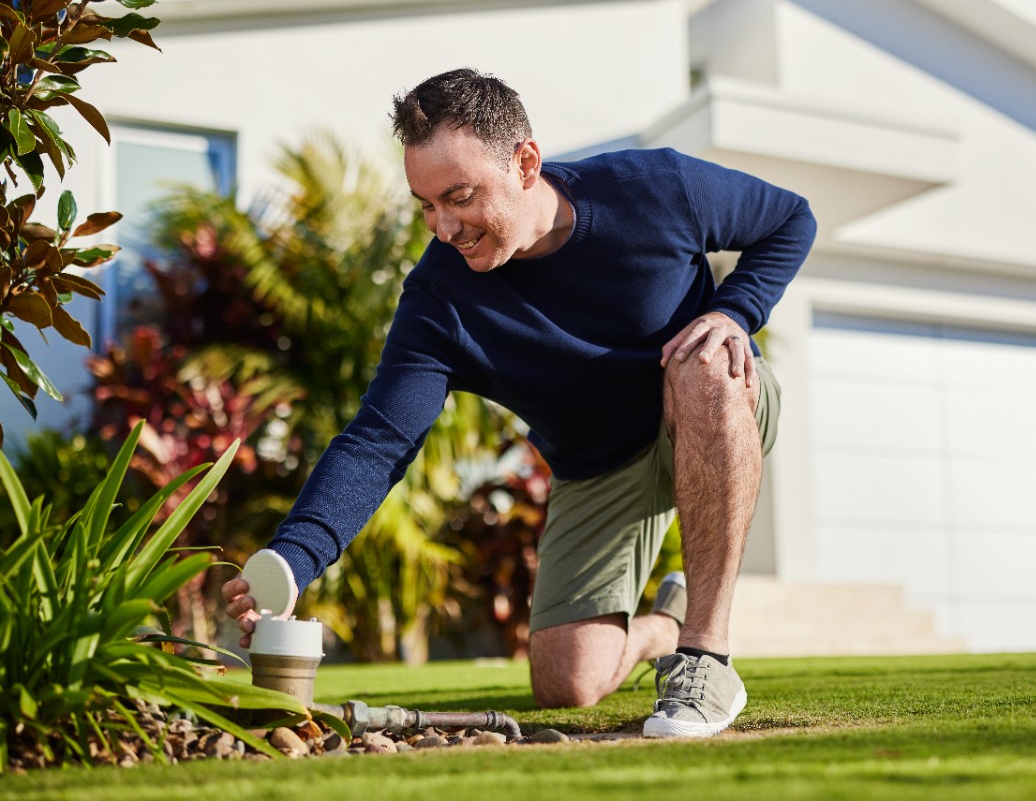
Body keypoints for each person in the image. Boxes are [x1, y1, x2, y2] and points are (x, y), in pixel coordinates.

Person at [222, 68, 816, 738]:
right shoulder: (439, 301)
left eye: (460, 197)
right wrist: (294, 559)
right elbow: (379, 439)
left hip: (712, 403)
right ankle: (665, 624)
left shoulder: (656, 189)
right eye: (426, 205)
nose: (443, 227)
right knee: (568, 682)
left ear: (526, 162)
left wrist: (737, 310)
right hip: (600, 463)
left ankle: (705, 654)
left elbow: (791, 217)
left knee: (706, 359)